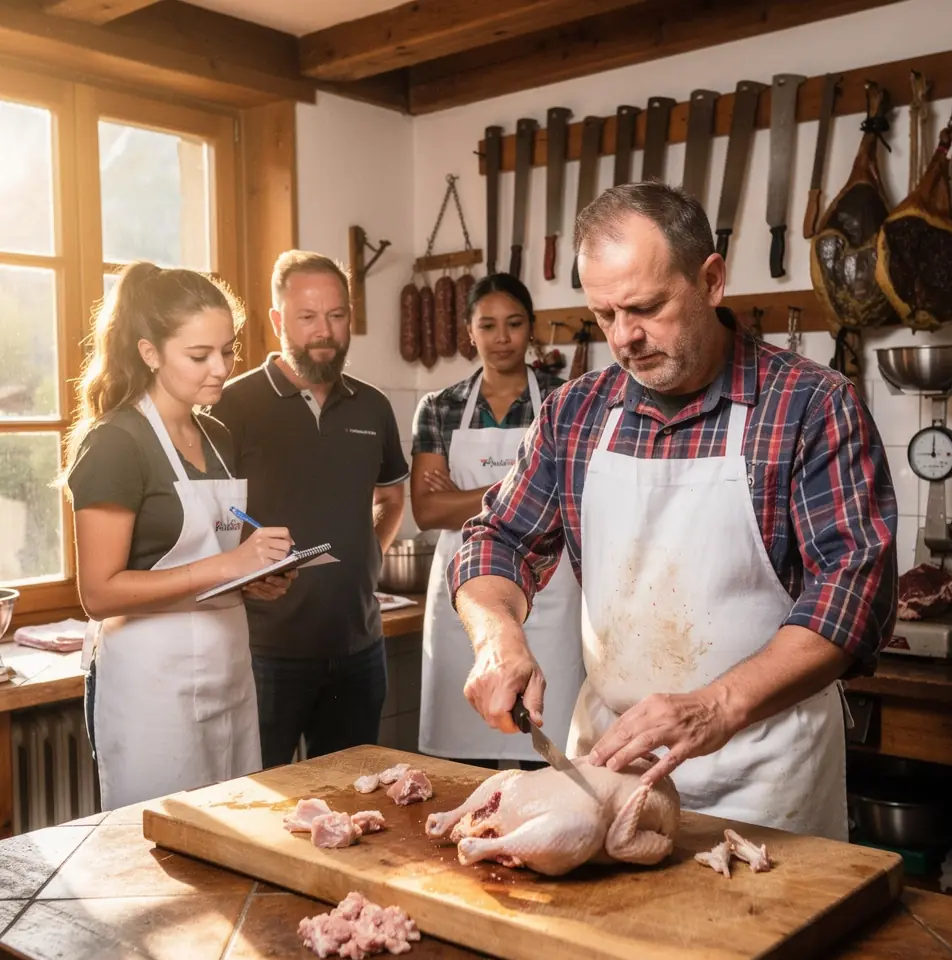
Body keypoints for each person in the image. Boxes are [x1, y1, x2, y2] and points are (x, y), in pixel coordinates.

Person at [447, 183, 899, 841]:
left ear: (711, 280)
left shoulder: (810, 405)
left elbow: (853, 592)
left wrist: (717, 706)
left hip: (765, 771)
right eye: (603, 315)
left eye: (647, 307)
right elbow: (498, 538)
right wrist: (497, 639)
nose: (625, 337)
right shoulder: (574, 413)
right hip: (610, 763)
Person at [64, 262, 295, 811]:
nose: (221, 368)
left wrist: (251, 580)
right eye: (199, 356)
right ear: (149, 352)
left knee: (235, 837)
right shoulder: (116, 443)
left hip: (227, 674)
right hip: (151, 690)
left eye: (228, 350)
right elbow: (98, 593)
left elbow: (215, 561)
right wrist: (226, 567)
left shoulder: (214, 435)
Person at [210, 250, 409, 769]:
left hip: (359, 648)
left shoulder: (373, 406)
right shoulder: (230, 406)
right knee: (258, 808)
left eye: (336, 315)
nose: (324, 331)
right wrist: (245, 573)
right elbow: (209, 518)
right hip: (263, 653)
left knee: (354, 803)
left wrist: (367, 552)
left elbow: (390, 497)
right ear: (278, 321)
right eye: (307, 317)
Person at [411, 274, 584, 768]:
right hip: (468, 590)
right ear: (470, 331)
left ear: (532, 329)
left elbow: (570, 496)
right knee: (460, 756)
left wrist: (462, 497)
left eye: (514, 324)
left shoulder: (564, 398)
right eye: (488, 325)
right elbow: (427, 510)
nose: (501, 337)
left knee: (546, 741)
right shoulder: (439, 407)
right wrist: (530, 488)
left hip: (551, 586)